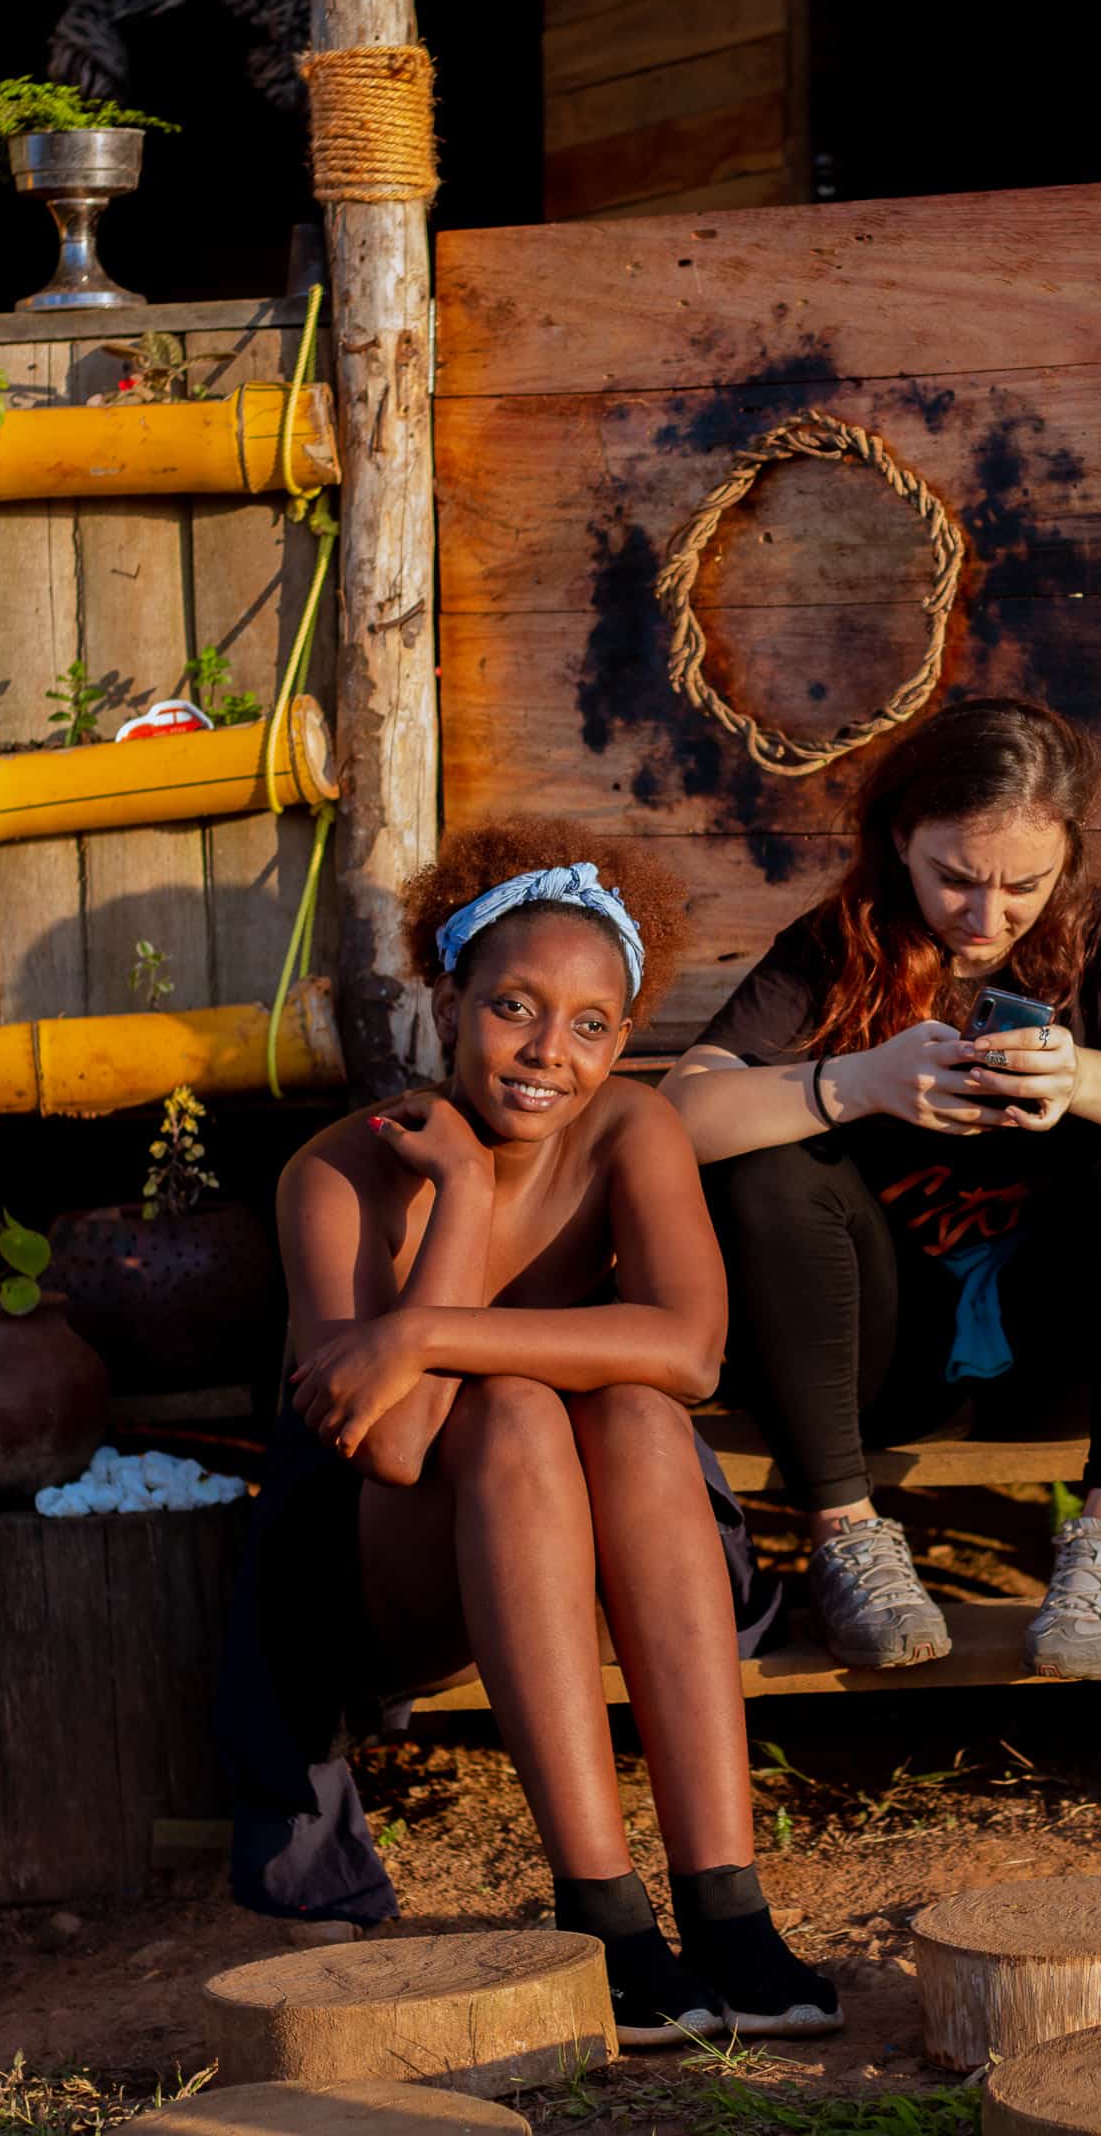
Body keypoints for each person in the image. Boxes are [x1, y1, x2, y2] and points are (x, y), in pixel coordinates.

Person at [258, 816, 840, 2045]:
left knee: (637, 1415)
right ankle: (604, 1915)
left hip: (608, 1546)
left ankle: (727, 1907)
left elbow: (688, 1354)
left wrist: (423, 1332)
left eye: (589, 1026)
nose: (547, 1055)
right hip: (395, 1580)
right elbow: (397, 1448)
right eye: (513, 1009)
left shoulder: (631, 1128)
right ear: (448, 1000)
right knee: (519, 1412)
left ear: (623, 1040)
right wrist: (462, 1190)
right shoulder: (338, 1175)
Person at [659, 699, 1101, 1681]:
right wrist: (852, 1084)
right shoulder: (837, 947)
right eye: (954, 877)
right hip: (878, 1365)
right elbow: (678, 1116)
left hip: (1064, 1355)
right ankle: (847, 1537)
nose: (986, 918)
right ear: (900, 838)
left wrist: (1081, 1076)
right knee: (771, 1159)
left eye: (1023, 885)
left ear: (1066, 854)